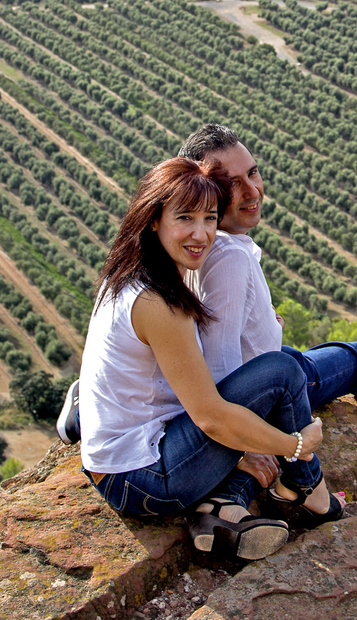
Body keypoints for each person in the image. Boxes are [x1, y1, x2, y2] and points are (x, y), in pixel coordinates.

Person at [74, 157, 343, 561]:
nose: (201, 234)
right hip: (142, 479)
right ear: (153, 219)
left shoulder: (130, 275)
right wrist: (293, 443)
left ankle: (221, 510)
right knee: (283, 373)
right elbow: (211, 417)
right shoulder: (159, 302)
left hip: (123, 461)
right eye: (185, 218)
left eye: (210, 219)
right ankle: (309, 488)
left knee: (269, 382)